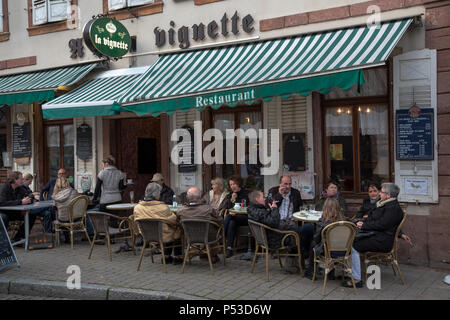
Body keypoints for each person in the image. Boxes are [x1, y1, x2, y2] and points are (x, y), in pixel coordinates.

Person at [344, 182, 404, 288]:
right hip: (376, 235)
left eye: (381, 191)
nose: (380, 193)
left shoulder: (392, 208)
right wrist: (362, 222)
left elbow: (382, 224)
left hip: (382, 240)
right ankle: (349, 272)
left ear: (388, 195)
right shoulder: (384, 204)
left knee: (352, 244)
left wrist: (364, 225)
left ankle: (356, 278)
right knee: (350, 239)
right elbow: (374, 219)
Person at [134, 182, 183, 265]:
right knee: (177, 229)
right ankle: (177, 257)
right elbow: (173, 220)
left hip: (146, 235)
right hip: (162, 235)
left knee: (168, 228)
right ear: (156, 194)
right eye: (159, 192)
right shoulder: (162, 207)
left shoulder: (137, 207)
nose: (160, 194)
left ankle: (166, 257)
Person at [176, 187, 223, 264]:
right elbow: (220, 220)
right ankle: (212, 255)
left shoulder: (181, 210)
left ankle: (198, 251)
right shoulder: (208, 209)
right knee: (214, 228)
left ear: (187, 197)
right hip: (208, 237)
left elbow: (177, 221)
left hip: (189, 236)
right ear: (200, 197)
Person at [304, 198, 346, 279]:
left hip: (328, 251)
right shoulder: (344, 221)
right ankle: (331, 272)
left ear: (325, 208)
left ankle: (311, 271)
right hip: (344, 251)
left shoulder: (323, 222)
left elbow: (317, 239)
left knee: (313, 244)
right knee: (330, 243)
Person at [218, 175, 250, 258]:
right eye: (231, 184)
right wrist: (232, 199)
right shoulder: (230, 195)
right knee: (232, 222)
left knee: (229, 217)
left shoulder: (246, 193)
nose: (232, 186)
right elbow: (227, 207)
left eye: (234, 184)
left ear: (239, 184)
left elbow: (247, 207)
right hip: (234, 217)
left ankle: (221, 234)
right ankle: (229, 248)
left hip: (244, 217)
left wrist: (234, 212)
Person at [0, 171, 35, 242]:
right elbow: (2, 202)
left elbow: (28, 195)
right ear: (14, 180)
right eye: (21, 179)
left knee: (31, 215)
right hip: (4, 212)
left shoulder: (20, 188)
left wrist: (29, 199)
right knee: (3, 218)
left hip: (14, 212)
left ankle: (18, 238)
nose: (22, 181)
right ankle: (3, 241)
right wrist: (21, 202)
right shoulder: (4, 188)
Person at [53, 176, 80, 243]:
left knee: (61, 216)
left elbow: (55, 207)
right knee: (85, 213)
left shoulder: (56, 196)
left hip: (62, 219)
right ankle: (88, 235)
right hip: (74, 218)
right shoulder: (74, 192)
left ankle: (67, 238)